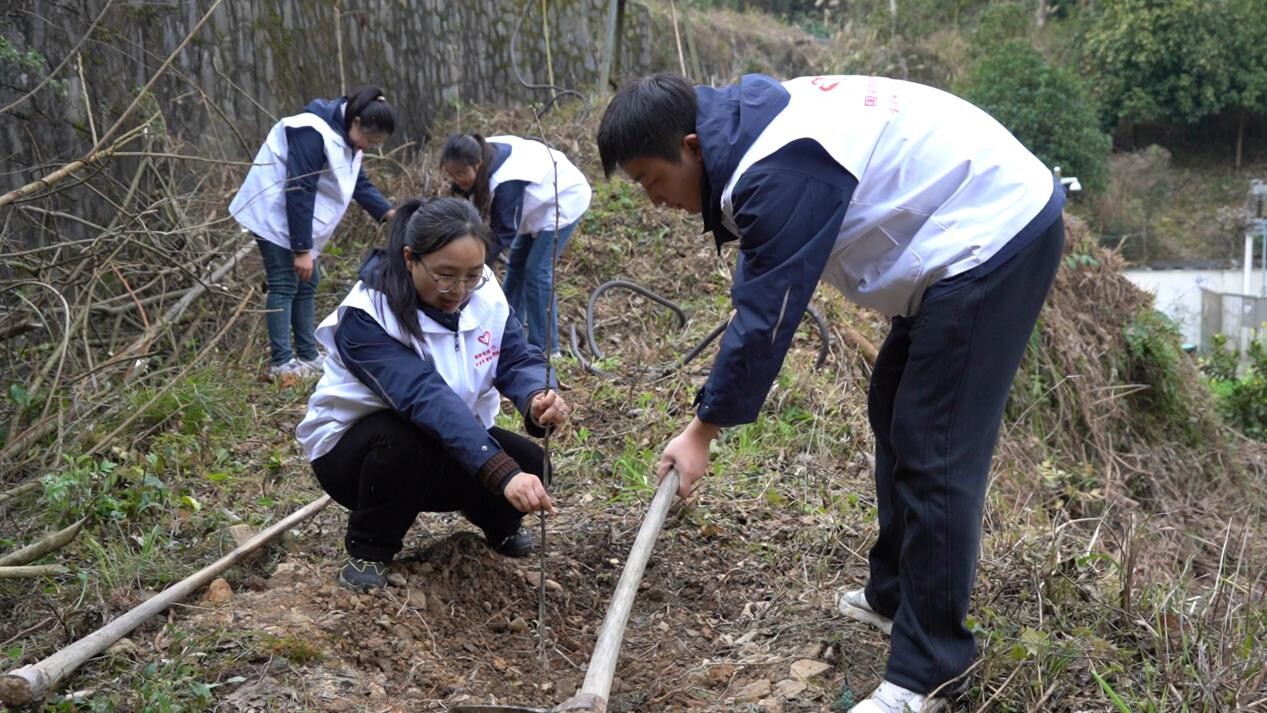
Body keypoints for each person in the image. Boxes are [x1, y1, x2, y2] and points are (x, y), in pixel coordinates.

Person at [596, 73, 1066, 713]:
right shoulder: (752, 128)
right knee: (894, 407)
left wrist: (701, 432)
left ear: (691, 146)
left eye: (653, 179)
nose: (654, 200)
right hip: (965, 223)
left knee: (935, 448)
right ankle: (896, 596)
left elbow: (768, 316)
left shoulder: (778, 164)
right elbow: (763, 284)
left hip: (993, 231)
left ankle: (928, 672)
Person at [295, 197, 569, 592]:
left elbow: (514, 355)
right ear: (410, 258)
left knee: (530, 461)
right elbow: (425, 397)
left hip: (447, 440)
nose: (459, 290)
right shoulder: (367, 316)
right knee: (406, 443)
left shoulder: (485, 292)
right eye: (445, 276)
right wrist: (501, 472)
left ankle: (500, 527)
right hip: (358, 456)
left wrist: (535, 395)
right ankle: (370, 548)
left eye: (472, 275)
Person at [229, 86, 399, 379]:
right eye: (370, 140)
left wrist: (389, 214)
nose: (369, 147)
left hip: (296, 222)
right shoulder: (311, 130)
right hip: (274, 214)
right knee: (284, 282)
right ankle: (282, 362)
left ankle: (307, 355)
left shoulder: (349, 137)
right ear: (356, 121)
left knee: (308, 283)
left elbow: (358, 183)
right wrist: (301, 250)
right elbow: (299, 190)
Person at [441, 133, 591, 354]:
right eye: (451, 174)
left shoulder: (505, 181)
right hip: (537, 205)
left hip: (563, 199)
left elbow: (502, 233)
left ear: (478, 164)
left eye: (461, 174)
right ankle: (508, 332)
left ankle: (547, 349)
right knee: (516, 265)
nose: (456, 180)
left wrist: (474, 266)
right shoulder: (477, 149)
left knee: (536, 271)